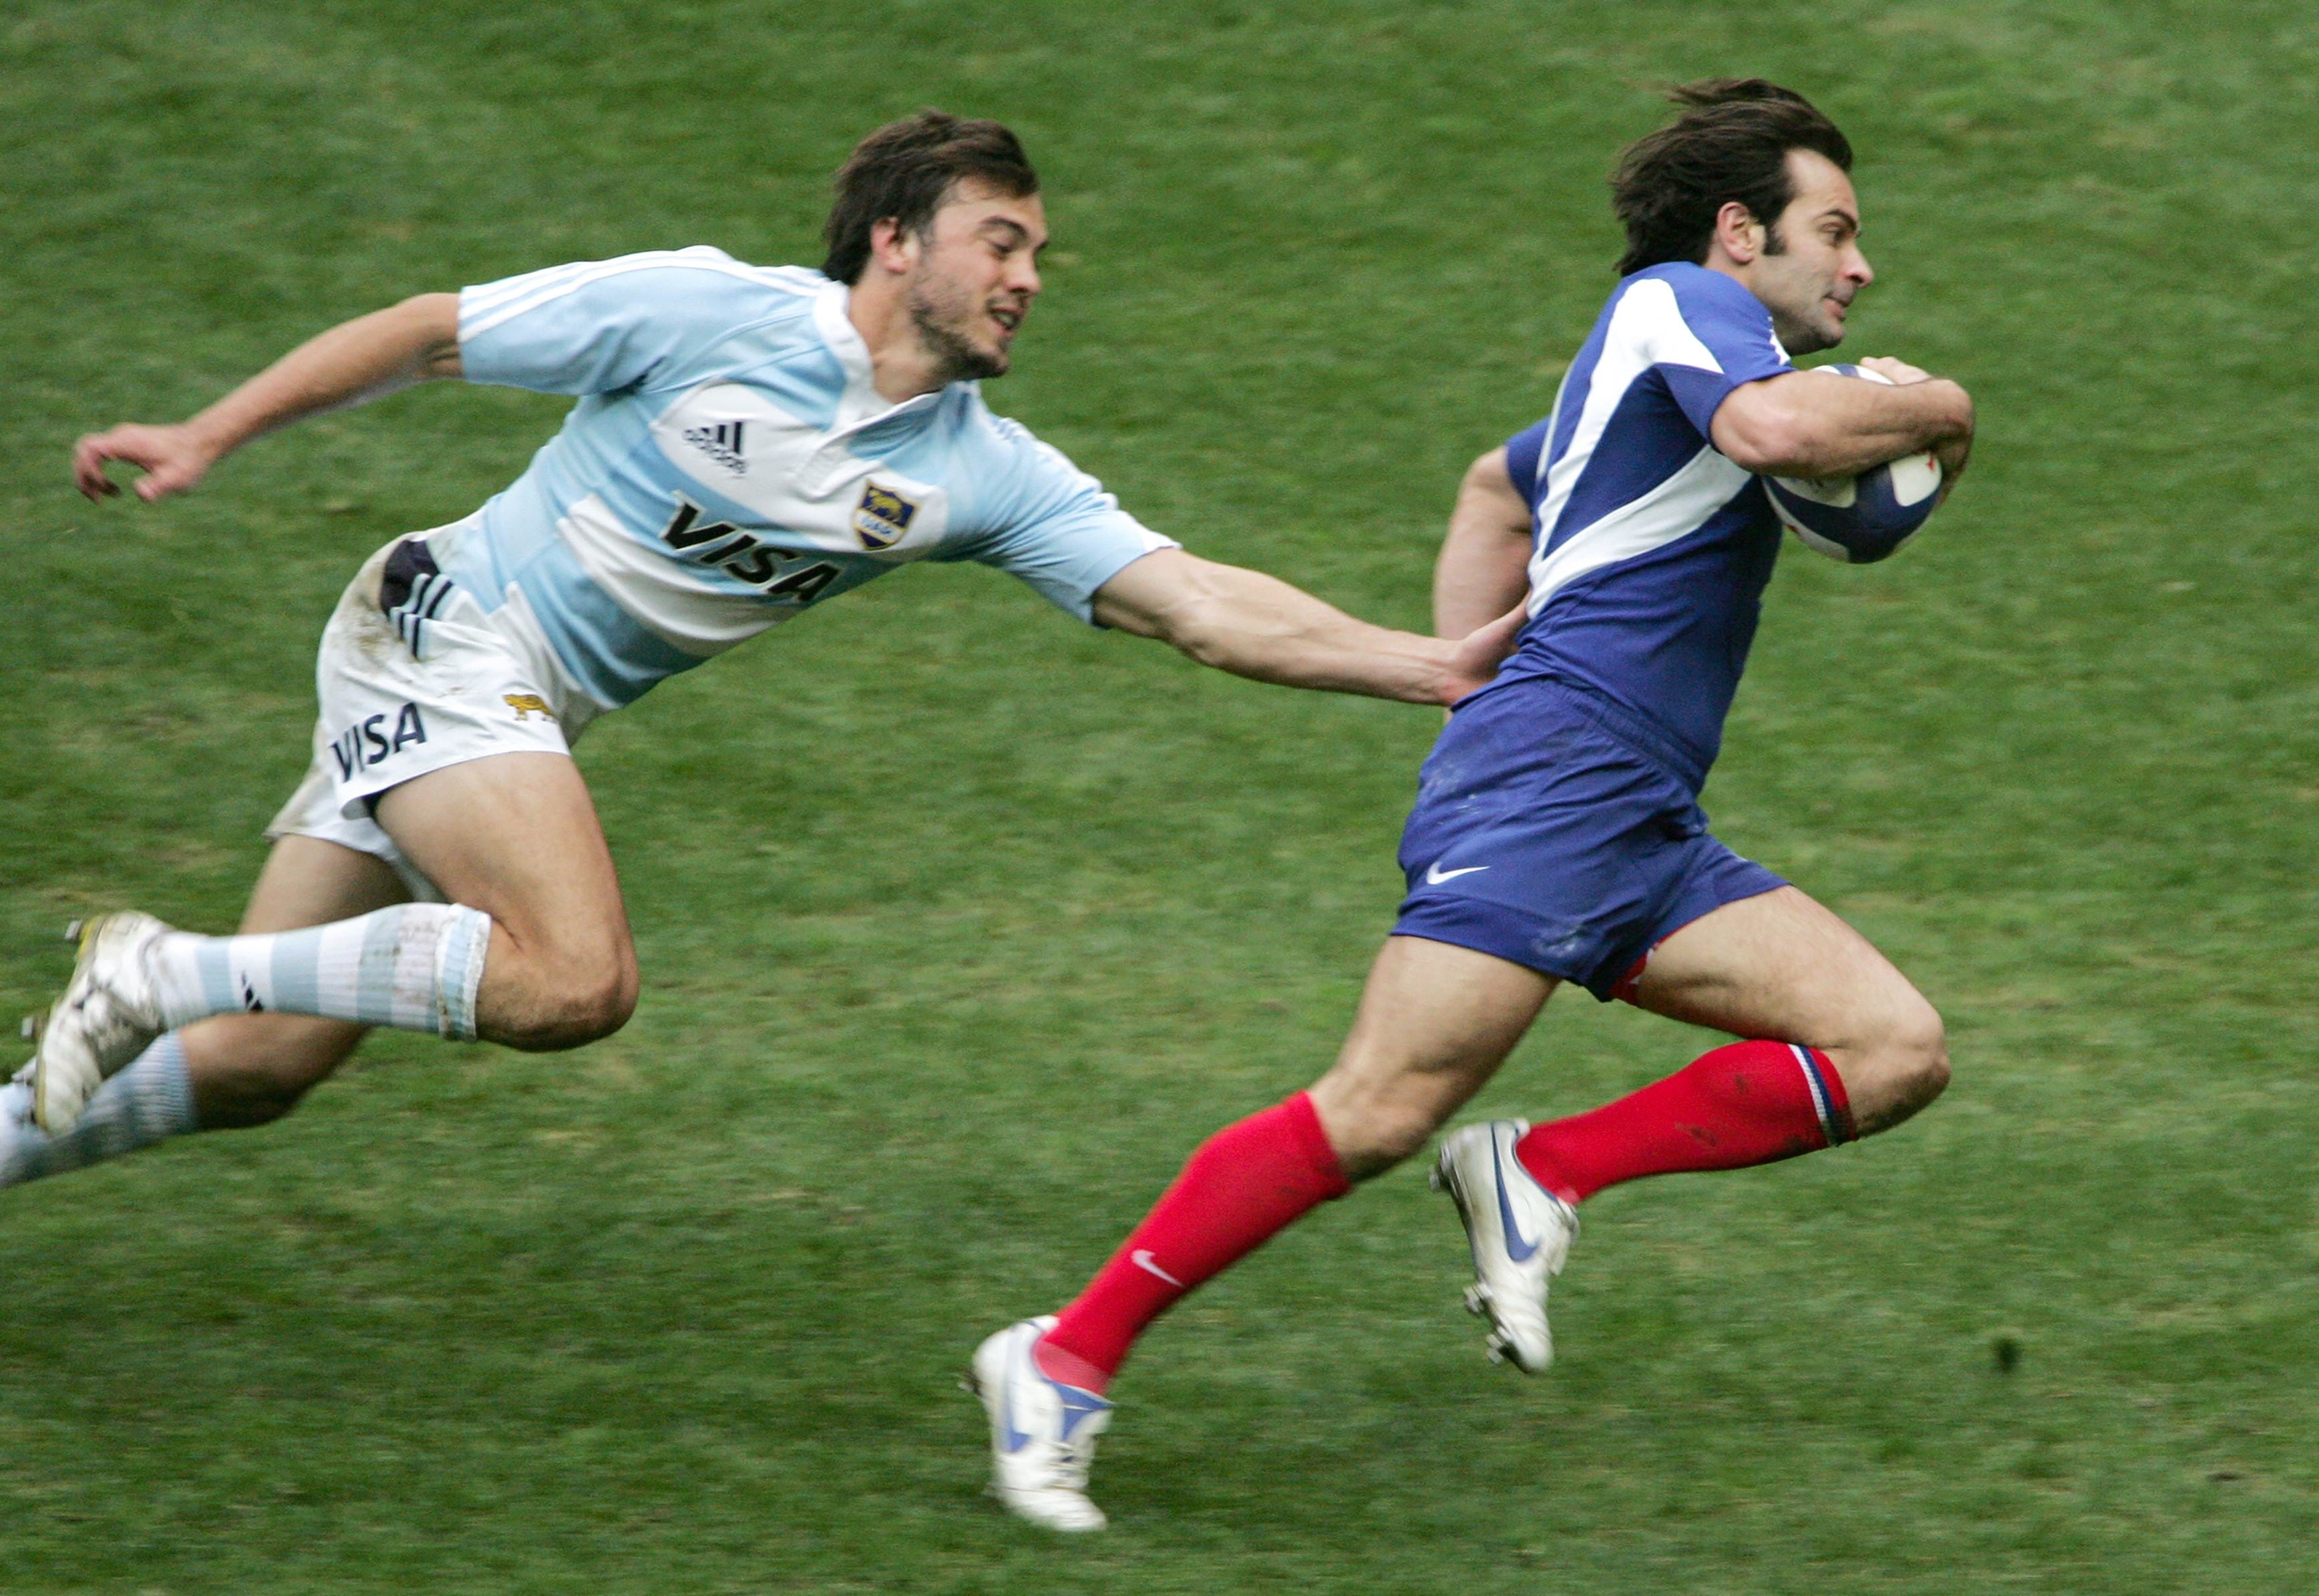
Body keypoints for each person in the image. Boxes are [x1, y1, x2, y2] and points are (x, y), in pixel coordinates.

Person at [7, 111, 1521, 1192]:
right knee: (573, 980)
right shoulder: (709, 310)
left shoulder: (977, 469)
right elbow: (427, 328)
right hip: (444, 632)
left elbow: (1195, 602)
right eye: (999, 240)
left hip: (504, 705)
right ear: (893, 242)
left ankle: (93, 1066)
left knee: (265, 1067)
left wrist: (1433, 664)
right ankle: (161, 966)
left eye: (1037, 252)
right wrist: (211, 431)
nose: (1028, 276)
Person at [972, 78, 1976, 1533]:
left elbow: (1493, 492)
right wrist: (1935, 408)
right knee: (1377, 1106)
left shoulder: (1653, 371)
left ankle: (1541, 1169)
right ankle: (1058, 1361)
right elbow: (1768, 440)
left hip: (1631, 811)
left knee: (1889, 1047)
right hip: (1557, 779)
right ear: (1739, 230)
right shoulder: (1681, 309)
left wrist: (1461, 680)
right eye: (1836, 231)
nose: (1859, 266)